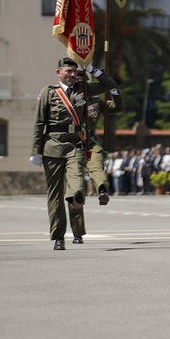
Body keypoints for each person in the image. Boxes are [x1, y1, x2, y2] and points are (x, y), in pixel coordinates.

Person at [31, 57, 112, 250]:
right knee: (54, 195)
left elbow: (109, 84)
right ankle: (59, 237)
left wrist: (92, 68)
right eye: (68, 71)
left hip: (75, 145)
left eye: (74, 72)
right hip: (52, 146)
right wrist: (36, 151)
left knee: (76, 184)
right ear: (58, 72)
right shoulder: (48, 93)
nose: (72, 75)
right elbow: (39, 123)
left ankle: (77, 197)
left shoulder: (83, 89)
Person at [83, 69, 125, 207]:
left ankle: (102, 190)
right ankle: (75, 195)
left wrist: (113, 90)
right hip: (71, 142)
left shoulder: (95, 102)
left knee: (96, 166)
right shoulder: (64, 100)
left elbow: (118, 107)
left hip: (90, 142)